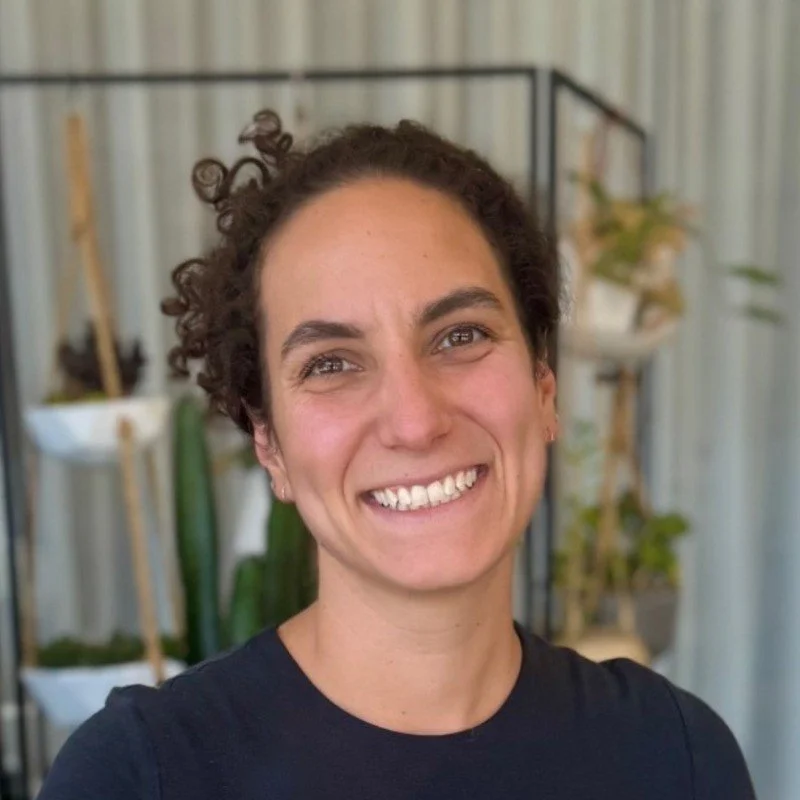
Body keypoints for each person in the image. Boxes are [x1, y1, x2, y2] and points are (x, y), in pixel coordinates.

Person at [38, 110, 756, 800]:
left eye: (460, 336)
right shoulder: (140, 777)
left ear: (544, 387)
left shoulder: (675, 755)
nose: (415, 422)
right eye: (331, 364)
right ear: (270, 445)